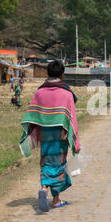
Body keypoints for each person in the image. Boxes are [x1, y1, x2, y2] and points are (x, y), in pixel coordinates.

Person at [19, 60, 80, 212]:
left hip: (45, 133)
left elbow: (33, 113)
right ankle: (56, 200)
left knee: (45, 161)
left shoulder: (39, 92)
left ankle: (43, 188)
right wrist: (76, 143)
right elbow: (72, 117)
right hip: (61, 134)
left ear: (48, 73)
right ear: (62, 74)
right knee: (59, 163)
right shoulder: (66, 93)